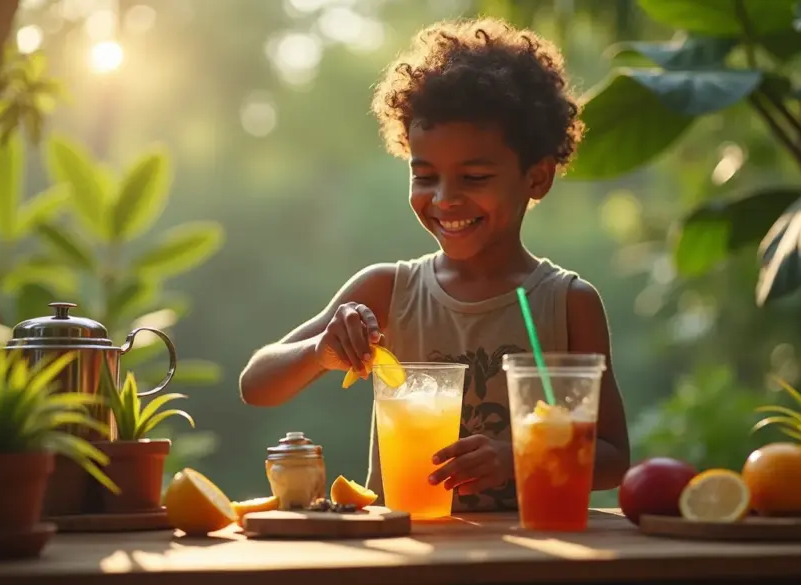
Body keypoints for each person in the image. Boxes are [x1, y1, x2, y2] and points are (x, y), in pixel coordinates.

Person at [240, 17, 630, 512]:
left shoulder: (568, 303)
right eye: (424, 176)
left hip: (524, 555)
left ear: (537, 178)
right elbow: (256, 385)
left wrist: (519, 455)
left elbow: (614, 458)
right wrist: (322, 349)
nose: (445, 200)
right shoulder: (388, 290)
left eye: (474, 176)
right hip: (407, 554)